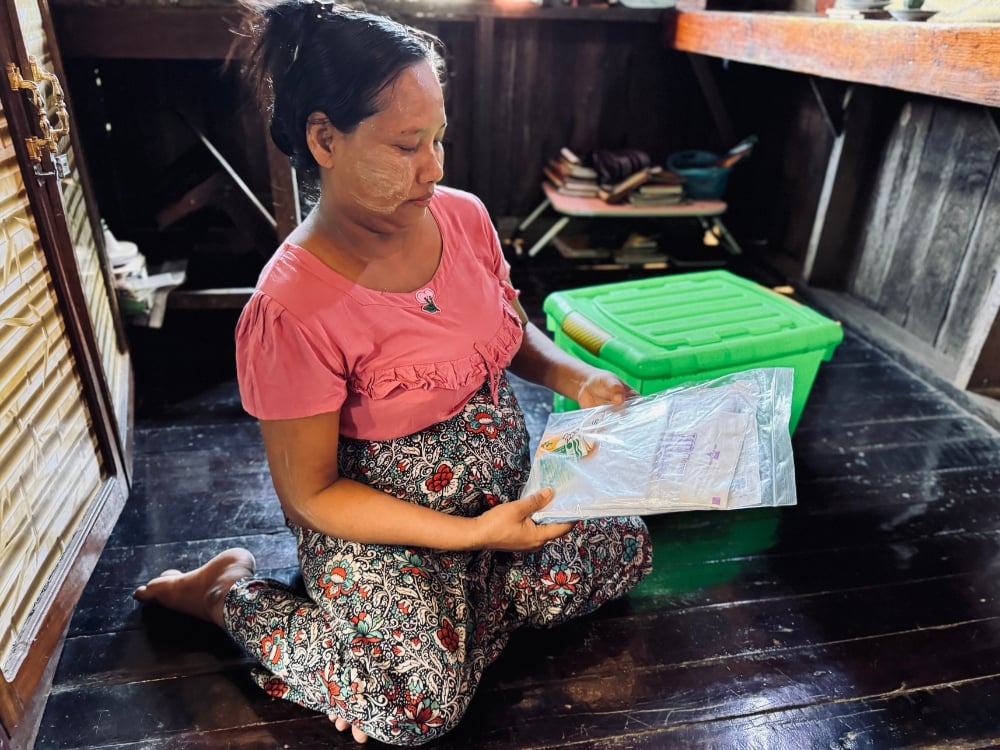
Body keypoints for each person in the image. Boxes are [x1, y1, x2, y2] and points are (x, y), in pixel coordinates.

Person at [133, 1, 652, 745]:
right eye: (408, 144)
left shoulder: (464, 217)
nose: (435, 168)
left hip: (497, 494)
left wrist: (574, 379)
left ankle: (462, 613)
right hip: (381, 524)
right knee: (418, 709)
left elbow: (508, 330)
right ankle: (225, 593)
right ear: (324, 139)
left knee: (623, 546)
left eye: (438, 137)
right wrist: (467, 537)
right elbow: (312, 495)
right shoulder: (293, 308)